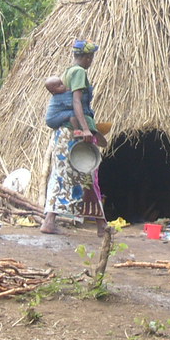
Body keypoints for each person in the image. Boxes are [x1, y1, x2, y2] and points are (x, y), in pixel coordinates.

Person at [39, 40, 108, 237]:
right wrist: (85, 130)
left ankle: (52, 220)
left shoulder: (67, 72)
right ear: (87, 57)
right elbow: (76, 101)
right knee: (87, 174)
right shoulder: (78, 72)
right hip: (73, 133)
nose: (91, 61)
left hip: (64, 134)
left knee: (64, 175)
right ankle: (99, 224)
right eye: (91, 57)